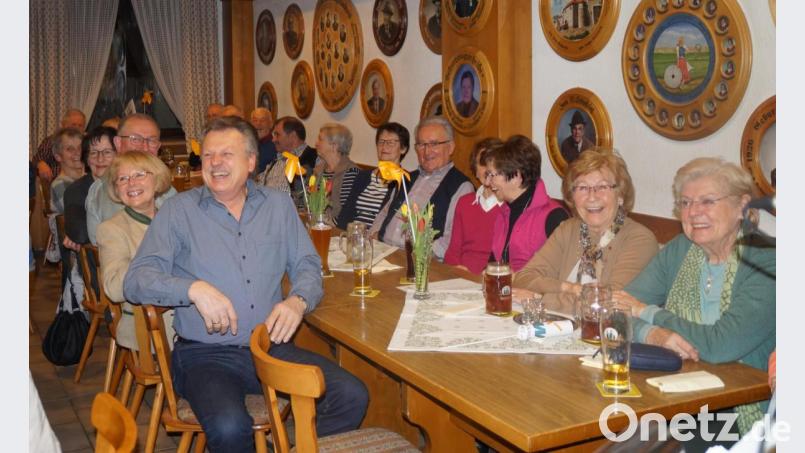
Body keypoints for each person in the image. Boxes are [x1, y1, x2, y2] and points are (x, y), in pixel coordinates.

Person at [123, 117, 368, 452]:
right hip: (205, 355)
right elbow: (135, 280)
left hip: (269, 346)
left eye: (226, 154)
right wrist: (193, 289)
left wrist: (298, 300)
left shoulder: (278, 206)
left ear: (251, 161)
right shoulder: (179, 210)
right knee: (229, 427)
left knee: (351, 395)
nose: (215, 163)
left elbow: (308, 265)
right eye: (208, 155)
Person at [613, 157, 775, 435]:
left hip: (740, 409)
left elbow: (719, 345)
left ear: (742, 207)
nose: (693, 212)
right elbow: (616, 311)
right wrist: (653, 334)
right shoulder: (680, 250)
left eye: (708, 201)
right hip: (675, 393)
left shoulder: (767, 261)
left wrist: (648, 312)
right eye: (685, 203)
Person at [514, 149, 658, 313]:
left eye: (602, 186)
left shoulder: (640, 240)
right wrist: (569, 288)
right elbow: (524, 278)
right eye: (582, 187)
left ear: (620, 195)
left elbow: (607, 303)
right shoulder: (569, 229)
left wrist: (540, 300)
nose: (592, 197)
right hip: (558, 324)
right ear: (572, 196)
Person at [97, 151, 175, 352]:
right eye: (122, 179)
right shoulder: (112, 229)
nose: (131, 183)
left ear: (157, 180)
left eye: (139, 174)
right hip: (150, 330)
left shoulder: (174, 218)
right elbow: (114, 290)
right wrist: (151, 248)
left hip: (190, 320)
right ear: (116, 189)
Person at [371, 117, 473, 260]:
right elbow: (383, 214)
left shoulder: (461, 187)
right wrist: (372, 237)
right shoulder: (405, 178)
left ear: (450, 147)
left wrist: (416, 255)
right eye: (421, 144)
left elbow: (450, 239)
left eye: (434, 144)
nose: (427, 151)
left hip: (417, 262)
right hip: (382, 252)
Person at [86, 113, 177, 245]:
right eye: (135, 139)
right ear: (118, 143)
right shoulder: (112, 189)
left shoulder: (166, 187)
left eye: (151, 140)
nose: (144, 147)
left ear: (158, 147)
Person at [485, 135, 569, 272]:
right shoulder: (503, 213)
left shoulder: (554, 217)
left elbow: (561, 273)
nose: (488, 182)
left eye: (492, 175)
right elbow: (494, 263)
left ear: (516, 176)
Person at [444, 138, 504, 274]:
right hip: (461, 276)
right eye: (483, 163)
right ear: (475, 170)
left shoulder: (509, 206)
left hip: (492, 277)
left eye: (494, 163)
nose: (488, 169)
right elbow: (453, 251)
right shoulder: (464, 203)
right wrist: (453, 271)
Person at [336, 122, 410, 229]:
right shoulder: (363, 176)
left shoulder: (406, 182)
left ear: (403, 149)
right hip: (353, 234)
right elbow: (345, 214)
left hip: (377, 237)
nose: (384, 146)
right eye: (381, 142)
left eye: (390, 143)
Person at [257, 116, 318, 207]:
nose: (273, 140)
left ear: (292, 136)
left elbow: (309, 197)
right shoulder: (277, 159)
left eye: (277, 135)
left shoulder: (313, 158)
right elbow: (258, 184)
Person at [312, 123, 360, 221]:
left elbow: (346, 212)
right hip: (317, 223)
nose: (316, 143)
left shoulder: (350, 172)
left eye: (320, 139)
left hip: (336, 227)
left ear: (334, 146)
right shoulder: (318, 170)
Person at [32, 108, 87, 182]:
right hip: (57, 181)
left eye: (80, 125)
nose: (76, 128)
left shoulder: (88, 142)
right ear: (63, 125)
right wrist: (41, 164)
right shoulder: (53, 140)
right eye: (73, 125)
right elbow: (37, 160)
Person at [249, 107, 277, 174]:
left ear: (271, 124)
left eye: (263, 120)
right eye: (255, 120)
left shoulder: (276, 146)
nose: (258, 123)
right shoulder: (245, 144)